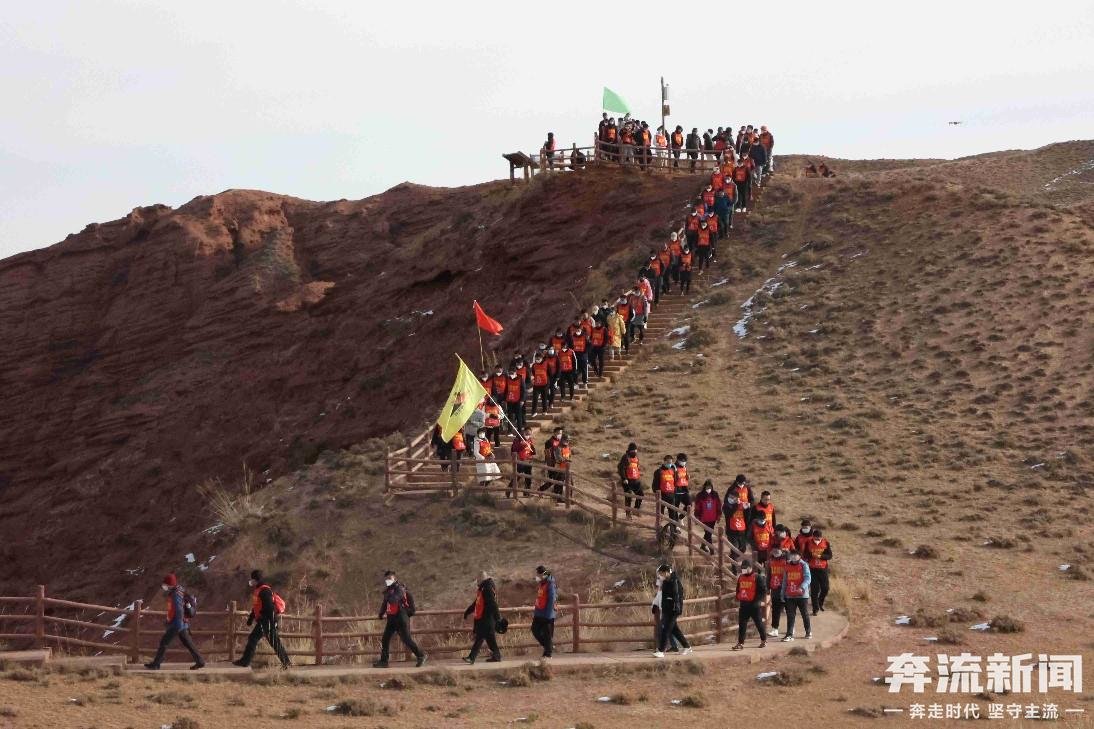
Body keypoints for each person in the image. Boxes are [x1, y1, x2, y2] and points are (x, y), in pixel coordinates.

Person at [144, 573, 204, 670]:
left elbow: (179, 610)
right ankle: (200, 661)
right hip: (183, 624)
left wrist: (177, 625)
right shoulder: (179, 590)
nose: (164, 586)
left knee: (164, 642)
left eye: (165, 584)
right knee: (188, 644)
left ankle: (156, 664)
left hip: (177, 624)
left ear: (170, 584)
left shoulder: (175, 595)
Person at [233, 570, 291, 669]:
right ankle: (286, 663)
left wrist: (272, 623)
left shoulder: (264, 591)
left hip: (267, 620)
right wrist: (251, 618)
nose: (251, 581)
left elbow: (270, 608)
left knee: (254, 638)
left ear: (256, 579)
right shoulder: (258, 590)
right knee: (274, 642)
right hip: (265, 620)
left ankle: (245, 661)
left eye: (252, 579)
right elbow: (256, 606)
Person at [372, 571, 426, 668]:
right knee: (385, 639)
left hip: (401, 618)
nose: (387, 581)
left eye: (389, 579)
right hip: (391, 618)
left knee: (407, 639)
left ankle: (421, 655)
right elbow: (385, 604)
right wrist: (381, 613)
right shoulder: (388, 590)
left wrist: (387, 594)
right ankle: (384, 662)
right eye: (386, 579)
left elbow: (393, 600)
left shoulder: (400, 589)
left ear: (395, 579)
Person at [463, 571, 503, 663]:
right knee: (490, 640)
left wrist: (498, 619)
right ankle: (497, 656)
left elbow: (493, 604)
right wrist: (468, 611)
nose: (476, 581)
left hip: (488, 619)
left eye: (478, 579)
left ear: (481, 579)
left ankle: (471, 658)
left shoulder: (487, 588)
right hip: (485, 619)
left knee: (480, 638)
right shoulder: (483, 589)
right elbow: (476, 603)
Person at [652, 564, 691, 658]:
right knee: (674, 629)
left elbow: (677, 596)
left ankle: (661, 650)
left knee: (666, 629)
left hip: (673, 609)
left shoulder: (674, 581)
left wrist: (676, 608)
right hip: (667, 609)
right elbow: (662, 595)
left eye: (661, 573)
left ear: (666, 572)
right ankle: (687, 646)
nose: (660, 576)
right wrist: (657, 604)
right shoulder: (666, 581)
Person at [732, 561, 768, 650]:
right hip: (744, 604)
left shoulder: (757, 577)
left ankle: (763, 640)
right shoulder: (741, 577)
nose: (743, 570)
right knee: (742, 624)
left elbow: (763, 591)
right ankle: (740, 643)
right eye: (742, 568)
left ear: (750, 568)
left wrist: (757, 601)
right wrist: (738, 596)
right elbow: (738, 588)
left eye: (745, 568)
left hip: (754, 605)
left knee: (759, 623)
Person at [781, 550, 812, 641]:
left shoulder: (804, 565)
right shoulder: (787, 566)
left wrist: (802, 587)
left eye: (796, 555)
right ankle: (789, 635)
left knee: (804, 614)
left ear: (799, 556)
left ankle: (808, 632)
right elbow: (784, 581)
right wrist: (782, 594)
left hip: (802, 595)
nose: (793, 557)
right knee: (790, 615)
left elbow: (808, 578)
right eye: (792, 555)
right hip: (790, 595)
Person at [651, 573, 681, 653]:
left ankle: (664, 648)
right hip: (665, 610)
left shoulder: (669, 585)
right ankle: (675, 645)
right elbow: (658, 596)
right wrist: (654, 605)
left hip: (669, 610)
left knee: (667, 628)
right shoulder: (662, 587)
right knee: (670, 628)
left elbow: (674, 596)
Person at [805, 528, 832, 615]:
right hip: (812, 569)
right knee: (814, 590)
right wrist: (811, 555)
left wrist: (820, 556)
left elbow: (829, 555)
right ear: (813, 537)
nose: (817, 540)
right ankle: (815, 608)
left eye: (819, 538)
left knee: (825, 588)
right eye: (816, 538)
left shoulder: (826, 543)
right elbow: (805, 554)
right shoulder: (808, 542)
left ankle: (820, 602)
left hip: (823, 569)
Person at [532, 566, 557, 659]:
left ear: (542, 574)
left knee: (547, 634)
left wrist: (548, 614)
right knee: (534, 629)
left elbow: (551, 599)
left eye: (538, 574)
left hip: (547, 613)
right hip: (539, 612)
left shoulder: (550, 583)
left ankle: (548, 653)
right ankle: (549, 647)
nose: (536, 576)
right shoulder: (542, 583)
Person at [765, 545, 788, 637]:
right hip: (774, 588)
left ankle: (791, 628)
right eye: (774, 552)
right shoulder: (771, 562)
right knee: (775, 610)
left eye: (777, 552)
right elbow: (769, 576)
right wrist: (767, 588)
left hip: (785, 588)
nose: (775, 554)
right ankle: (775, 629)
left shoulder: (787, 561)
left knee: (788, 609)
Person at [693, 480, 721, 552]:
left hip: (713, 518)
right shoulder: (700, 495)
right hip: (704, 518)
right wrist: (697, 516)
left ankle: (703, 545)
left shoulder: (715, 494)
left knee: (708, 533)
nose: (708, 489)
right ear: (704, 487)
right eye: (707, 487)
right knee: (708, 534)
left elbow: (718, 505)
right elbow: (697, 507)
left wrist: (718, 516)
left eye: (710, 487)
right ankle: (712, 549)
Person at [617, 442, 643, 516]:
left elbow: (637, 467)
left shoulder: (637, 457)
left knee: (640, 494)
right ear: (630, 450)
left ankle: (636, 509)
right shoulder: (625, 457)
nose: (635, 452)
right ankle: (628, 514)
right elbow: (621, 468)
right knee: (628, 496)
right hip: (627, 481)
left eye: (635, 450)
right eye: (633, 450)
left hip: (636, 480)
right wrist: (624, 478)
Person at [651, 454, 678, 520]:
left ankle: (673, 528)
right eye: (668, 462)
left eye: (671, 463)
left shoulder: (672, 471)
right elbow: (655, 485)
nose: (670, 464)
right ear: (664, 462)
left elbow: (675, 482)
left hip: (671, 495)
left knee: (672, 513)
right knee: (660, 513)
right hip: (662, 495)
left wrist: (675, 491)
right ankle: (659, 526)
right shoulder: (659, 472)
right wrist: (657, 494)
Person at [511, 427, 536, 496]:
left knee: (528, 477)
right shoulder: (518, 439)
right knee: (517, 476)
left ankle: (527, 492)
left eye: (529, 434)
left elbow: (532, 449)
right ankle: (509, 489)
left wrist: (533, 453)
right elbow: (514, 448)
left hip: (528, 460)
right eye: (527, 433)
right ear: (523, 432)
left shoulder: (530, 440)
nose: (528, 435)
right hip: (520, 460)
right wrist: (522, 445)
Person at [504, 368, 526, 434]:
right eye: (510, 374)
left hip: (518, 400)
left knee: (518, 415)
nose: (511, 375)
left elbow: (523, 390)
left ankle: (519, 430)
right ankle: (509, 431)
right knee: (510, 416)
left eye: (512, 374)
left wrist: (522, 400)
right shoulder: (508, 379)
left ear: (515, 373)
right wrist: (505, 398)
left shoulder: (520, 379)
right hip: (510, 400)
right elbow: (506, 389)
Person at [569, 322, 590, 387]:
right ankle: (575, 382)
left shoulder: (585, 337)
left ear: (581, 330)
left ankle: (585, 382)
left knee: (584, 369)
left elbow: (590, 345)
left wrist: (585, 351)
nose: (578, 331)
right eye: (577, 330)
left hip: (583, 355)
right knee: (575, 369)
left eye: (579, 330)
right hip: (575, 355)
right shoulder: (572, 337)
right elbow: (570, 345)